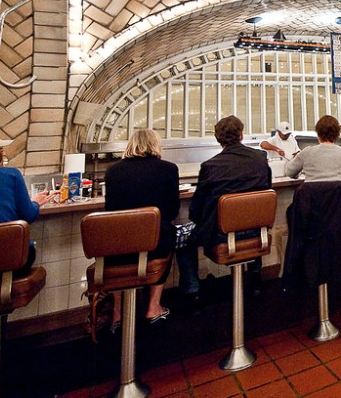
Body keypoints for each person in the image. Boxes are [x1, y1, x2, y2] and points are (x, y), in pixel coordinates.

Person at [104, 128, 180, 322]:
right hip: (156, 244)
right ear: (156, 144)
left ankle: (117, 312)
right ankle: (153, 306)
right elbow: (172, 211)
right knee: (170, 234)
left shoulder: (113, 171)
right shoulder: (169, 169)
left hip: (118, 248)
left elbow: (110, 210)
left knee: (116, 255)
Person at [189, 116, 272, 286]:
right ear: (241, 135)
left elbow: (195, 212)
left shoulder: (210, 166)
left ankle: (192, 294)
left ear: (218, 139)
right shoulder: (260, 159)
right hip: (258, 234)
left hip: (222, 237)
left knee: (186, 241)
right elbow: (266, 191)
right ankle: (255, 278)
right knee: (252, 218)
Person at [285, 115, 341, 189]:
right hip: (339, 199)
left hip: (312, 199)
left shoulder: (306, 152)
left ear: (318, 133)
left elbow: (290, 172)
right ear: (337, 134)